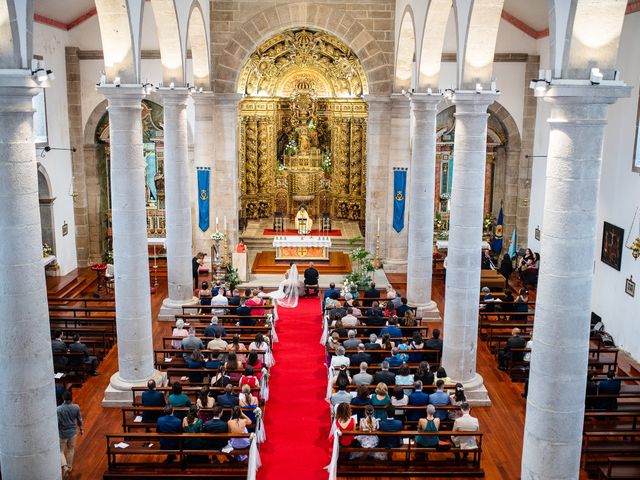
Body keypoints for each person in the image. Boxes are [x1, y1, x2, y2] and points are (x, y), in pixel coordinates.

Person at [57, 391, 83, 478]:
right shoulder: (76, 407)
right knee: (71, 449)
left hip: (62, 433)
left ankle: (64, 467)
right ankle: (69, 467)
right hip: (72, 432)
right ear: (71, 398)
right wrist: (81, 429)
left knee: (60, 451)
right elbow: (79, 419)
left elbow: (57, 422)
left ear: (63, 398)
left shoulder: (58, 409)